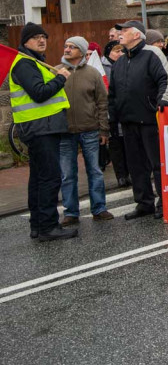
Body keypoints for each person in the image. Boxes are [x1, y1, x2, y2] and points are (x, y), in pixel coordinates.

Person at [11, 24, 77, 241]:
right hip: (40, 128)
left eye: (43, 37)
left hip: (40, 127)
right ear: (25, 42)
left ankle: (38, 225)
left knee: (39, 178)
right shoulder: (25, 64)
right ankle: (48, 226)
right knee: (49, 177)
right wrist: (61, 78)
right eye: (36, 37)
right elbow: (39, 93)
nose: (41, 41)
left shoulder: (34, 63)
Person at [108, 20, 168, 219]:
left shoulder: (152, 54)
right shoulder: (120, 61)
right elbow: (113, 92)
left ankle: (164, 203)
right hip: (128, 121)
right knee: (136, 166)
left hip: (150, 118)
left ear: (137, 35)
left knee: (157, 164)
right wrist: (113, 117)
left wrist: (163, 100)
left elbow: (167, 79)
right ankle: (144, 203)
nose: (120, 33)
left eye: (125, 31)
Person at [55, 36, 112, 227]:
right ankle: (71, 212)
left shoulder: (93, 73)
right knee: (67, 174)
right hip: (65, 131)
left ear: (81, 51)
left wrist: (104, 129)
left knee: (95, 170)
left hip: (90, 130)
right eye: (66, 46)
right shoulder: (56, 71)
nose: (67, 49)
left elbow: (102, 103)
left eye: (72, 47)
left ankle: (99, 208)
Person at [102, 43, 130, 188]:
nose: (119, 53)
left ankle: (129, 172)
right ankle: (121, 175)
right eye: (116, 51)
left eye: (122, 51)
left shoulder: (126, 64)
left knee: (128, 145)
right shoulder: (102, 68)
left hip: (125, 110)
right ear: (108, 52)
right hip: (111, 112)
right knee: (116, 146)